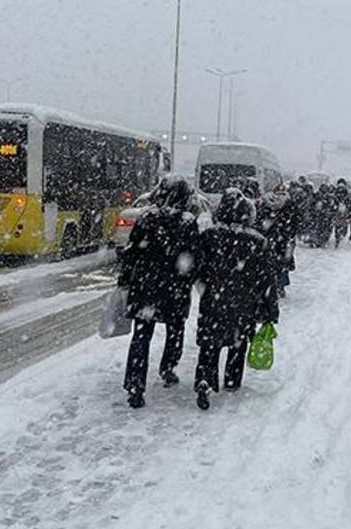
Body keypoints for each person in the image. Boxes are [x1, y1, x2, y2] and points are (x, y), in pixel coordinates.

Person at [118, 176, 200, 409]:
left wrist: (125, 279)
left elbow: (132, 252)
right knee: (175, 329)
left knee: (141, 335)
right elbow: (193, 257)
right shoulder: (187, 222)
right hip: (174, 287)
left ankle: (135, 383)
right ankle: (168, 367)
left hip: (145, 286)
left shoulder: (146, 218)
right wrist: (188, 278)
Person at [193, 189, 279, 410]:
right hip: (243, 302)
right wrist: (270, 310)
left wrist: (205, 285)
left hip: (213, 299)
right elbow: (267, 279)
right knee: (237, 342)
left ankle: (205, 379)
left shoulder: (209, 236)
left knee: (209, 344)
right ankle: (231, 380)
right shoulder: (257, 241)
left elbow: (197, 267)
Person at [258, 183, 300, 298]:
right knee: (283, 263)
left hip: (269, 237)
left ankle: (270, 284)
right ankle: (280, 285)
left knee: (269, 262)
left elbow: (260, 220)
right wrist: (290, 233)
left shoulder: (266, 202)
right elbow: (296, 221)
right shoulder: (290, 203)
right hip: (284, 238)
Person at [332, 178, 351, 248]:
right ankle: (341, 235)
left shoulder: (336, 191)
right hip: (343, 210)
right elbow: (348, 201)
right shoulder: (346, 191)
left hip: (338, 210)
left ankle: (338, 238)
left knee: (338, 226)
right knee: (343, 224)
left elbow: (334, 199)